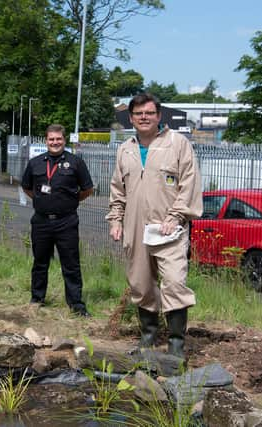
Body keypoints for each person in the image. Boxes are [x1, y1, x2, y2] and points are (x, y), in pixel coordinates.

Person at [106, 92, 202, 358]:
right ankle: (148, 338)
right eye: (138, 114)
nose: (144, 117)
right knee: (141, 284)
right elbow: (118, 190)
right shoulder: (125, 149)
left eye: (149, 113)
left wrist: (176, 216)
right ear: (132, 118)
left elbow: (189, 184)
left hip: (169, 228)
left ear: (159, 116)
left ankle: (175, 345)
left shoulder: (178, 144)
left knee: (173, 282)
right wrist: (116, 219)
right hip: (135, 229)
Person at [21, 124, 94, 316]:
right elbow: (27, 187)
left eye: (58, 139)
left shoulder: (76, 162)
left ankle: (76, 304)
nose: (55, 142)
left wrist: (69, 201)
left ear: (64, 140)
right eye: (51, 139)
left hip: (66, 221)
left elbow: (87, 189)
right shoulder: (35, 163)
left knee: (71, 264)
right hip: (41, 221)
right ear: (46, 141)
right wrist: (41, 201)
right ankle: (37, 299)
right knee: (40, 262)